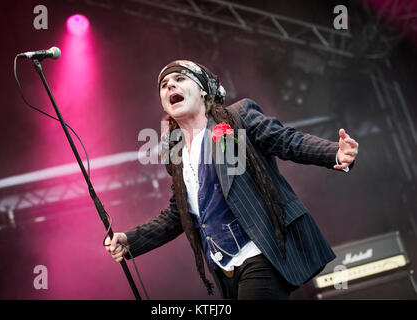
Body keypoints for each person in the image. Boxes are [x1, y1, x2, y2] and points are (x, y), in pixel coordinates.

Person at [105, 60, 359, 299]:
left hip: (261, 250)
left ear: (203, 91)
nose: (170, 85)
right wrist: (130, 240)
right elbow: (179, 214)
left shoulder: (236, 117)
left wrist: (333, 152)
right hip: (224, 267)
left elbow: (285, 140)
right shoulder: (175, 152)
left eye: (180, 78)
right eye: (163, 85)